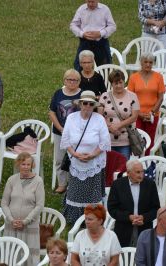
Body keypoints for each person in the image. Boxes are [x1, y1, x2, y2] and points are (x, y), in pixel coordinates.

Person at [61, 90, 111, 224]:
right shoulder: (71, 118)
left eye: (90, 104)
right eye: (85, 103)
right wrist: (75, 154)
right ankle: (74, 219)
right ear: (80, 104)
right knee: (75, 193)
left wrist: (92, 155)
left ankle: (94, 219)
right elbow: (65, 140)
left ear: (94, 105)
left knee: (92, 194)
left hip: (94, 162)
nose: (87, 106)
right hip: (76, 160)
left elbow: (105, 142)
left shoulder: (99, 119)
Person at [1, 152, 45, 266]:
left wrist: (25, 221)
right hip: (12, 225)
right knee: (12, 253)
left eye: (28, 164)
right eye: (23, 164)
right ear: (18, 165)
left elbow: (39, 205)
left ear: (32, 165)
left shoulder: (38, 181)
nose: (25, 167)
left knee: (29, 256)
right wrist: (11, 219)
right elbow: (4, 203)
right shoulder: (11, 180)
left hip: (29, 226)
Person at [107, 159, 160, 247]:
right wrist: (128, 217)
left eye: (142, 172)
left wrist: (144, 217)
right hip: (123, 229)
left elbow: (156, 208)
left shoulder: (150, 184)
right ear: (128, 173)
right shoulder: (117, 185)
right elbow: (112, 209)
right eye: (138, 172)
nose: (141, 175)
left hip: (144, 228)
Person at [49, 69, 82, 194]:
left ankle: (74, 183)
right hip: (60, 132)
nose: (72, 82)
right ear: (64, 80)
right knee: (59, 159)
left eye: (75, 80)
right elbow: (52, 112)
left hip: (77, 133)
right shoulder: (58, 93)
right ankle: (62, 184)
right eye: (69, 79)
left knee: (75, 159)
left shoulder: (83, 94)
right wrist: (60, 128)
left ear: (79, 82)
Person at [128, 53, 166, 155]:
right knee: (137, 140)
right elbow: (130, 98)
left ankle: (149, 162)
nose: (148, 64)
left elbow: (161, 97)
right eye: (145, 62)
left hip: (153, 114)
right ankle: (138, 163)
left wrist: (152, 113)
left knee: (150, 139)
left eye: (150, 62)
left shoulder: (158, 77)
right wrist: (138, 113)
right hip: (137, 114)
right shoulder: (133, 77)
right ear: (141, 62)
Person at [99, 70, 139, 159]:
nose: (119, 86)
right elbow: (99, 116)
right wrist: (110, 127)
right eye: (115, 83)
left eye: (120, 82)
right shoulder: (104, 96)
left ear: (124, 82)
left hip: (125, 140)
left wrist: (118, 126)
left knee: (122, 169)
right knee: (107, 169)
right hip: (107, 139)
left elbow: (134, 117)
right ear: (111, 84)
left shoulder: (133, 96)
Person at [70, 0, 116, 71]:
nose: (90, 4)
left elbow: (112, 26)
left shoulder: (105, 9)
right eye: (88, 2)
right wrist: (82, 34)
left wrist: (100, 33)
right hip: (85, 42)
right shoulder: (81, 9)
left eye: (93, 2)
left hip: (101, 43)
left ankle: (104, 81)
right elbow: (73, 25)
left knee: (106, 67)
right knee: (79, 66)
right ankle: (81, 82)